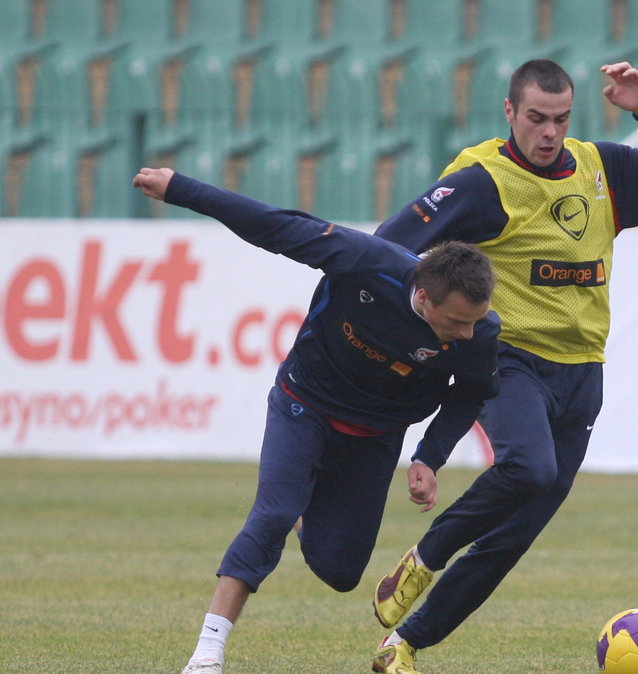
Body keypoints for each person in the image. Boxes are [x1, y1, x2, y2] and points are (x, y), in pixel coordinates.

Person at [367, 59, 638, 673]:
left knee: (512, 537)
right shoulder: (482, 182)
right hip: (508, 358)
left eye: (559, 119)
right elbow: (389, 245)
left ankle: (405, 645)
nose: (548, 133)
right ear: (509, 113)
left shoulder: (601, 169)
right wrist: (416, 327)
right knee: (528, 467)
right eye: (535, 118)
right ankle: (427, 555)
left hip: (583, 372)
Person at [131, 167, 502, 674]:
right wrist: (180, 189)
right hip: (304, 401)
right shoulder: (368, 263)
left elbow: (473, 393)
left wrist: (429, 457)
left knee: (340, 569)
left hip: (375, 435)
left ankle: (301, 505)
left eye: (475, 320)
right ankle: (207, 653)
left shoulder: (480, 332)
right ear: (424, 295)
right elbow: (277, 226)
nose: (468, 332)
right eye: (457, 321)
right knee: (273, 514)